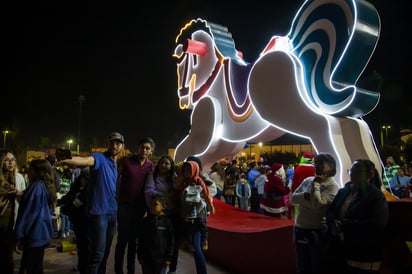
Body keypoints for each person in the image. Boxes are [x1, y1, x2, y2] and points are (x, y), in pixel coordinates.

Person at [60, 132, 125, 274]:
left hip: (112, 214)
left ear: (122, 146)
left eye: (118, 143)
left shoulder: (117, 165)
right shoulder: (100, 158)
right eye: (112, 142)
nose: (115, 145)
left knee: (105, 255)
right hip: (99, 214)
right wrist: (68, 160)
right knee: (97, 255)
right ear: (107, 144)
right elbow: (85, 161)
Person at [326, 159, 389, 274]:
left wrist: (344, 225)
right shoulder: (344, 191)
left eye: (357, 171)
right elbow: (331, 210)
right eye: (351, 171)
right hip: (340, 249)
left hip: (363, 251)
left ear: (369, 174)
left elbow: (378, 223)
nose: (352, 175)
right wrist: (332, 222)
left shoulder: (376, 196)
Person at [290, 153, 339, 274]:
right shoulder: (308, 180)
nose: (316, 166)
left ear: (331, 166)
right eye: (315, 163)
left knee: (316, 265)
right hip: (300, 228)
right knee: (301, 265)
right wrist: (305, 197)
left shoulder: (332, 186)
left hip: (317, 230)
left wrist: (315, 185)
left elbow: (317, 205)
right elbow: (292, 199)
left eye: (320, 163)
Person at [115, 137, 155, 274]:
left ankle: (130, 270)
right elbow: (115, 179)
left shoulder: (150, 166)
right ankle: (118, 270)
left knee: (133, 242)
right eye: (142, 147)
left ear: (151, 151)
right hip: (124, 206)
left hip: (139, 208)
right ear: (137, 147)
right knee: (122, 241)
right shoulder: (126, 161)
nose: (144, 150)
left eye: (147, 148)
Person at [14, 159, 57, 274]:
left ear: (37, 171)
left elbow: (29, 215)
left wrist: (18, 236)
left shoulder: (36, 187)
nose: (28, 171)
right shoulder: (44, 186)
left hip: (34, 235)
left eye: (30, 168)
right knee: (36, 267)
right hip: (40, 235)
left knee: (32, 268)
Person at [176, 161, 215, 274]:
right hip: (185, 216)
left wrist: (210, 205)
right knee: (185, 245)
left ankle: (204, 240)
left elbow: (207, 193)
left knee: (197, 248)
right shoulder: (183, 181)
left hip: (196, 217)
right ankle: (172, 269)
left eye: (189, 170)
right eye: (185, 170)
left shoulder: (198, 180)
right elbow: (179, 196)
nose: (187, 172)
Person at [58, 167, 89, 273]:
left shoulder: (89, 190)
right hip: (79, 221)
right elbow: (70, 196)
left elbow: (76, 202)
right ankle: (82, 266)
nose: (84, 181)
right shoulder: (78, 185)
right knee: (81, 246)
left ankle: (85, 267)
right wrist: (59, 202)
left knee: (86, 247)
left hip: (87, 221)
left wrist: (65, 207)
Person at [0, 149, 26, 274]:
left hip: (11, 222)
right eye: (7, 160)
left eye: (13, 160)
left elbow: (24, 198)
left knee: (7, 255)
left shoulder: (19, 177)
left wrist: (19, 194)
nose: (11, 163)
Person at [137, 194, 174, 274]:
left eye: (155, 204)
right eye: (151, 204)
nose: (151, 206)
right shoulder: (145, 221)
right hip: (147, 260)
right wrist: (140, 255)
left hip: (161, 261)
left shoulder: (167, 223)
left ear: (163, 207)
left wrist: (168, 258)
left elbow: (171, 242)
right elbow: (141, 239)